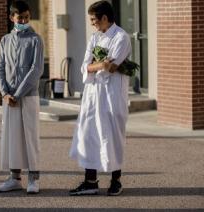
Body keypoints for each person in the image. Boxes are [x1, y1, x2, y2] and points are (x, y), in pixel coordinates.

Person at [69, 0, 131, 196]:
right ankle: (90, 181)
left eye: (94, 19)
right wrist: (99, 64)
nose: (92, 23)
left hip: (112, 95)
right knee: (89, 135)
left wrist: (100, 65)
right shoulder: (95, 37)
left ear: (105, 18)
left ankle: (116, 180)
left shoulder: (121, 37)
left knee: (112, 136)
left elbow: (111, 67)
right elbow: (85, 66)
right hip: (92, 95)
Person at [0, 0, 44, 194]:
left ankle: (34, 179)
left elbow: (36, 70)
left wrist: (17, 93)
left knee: (30, 137)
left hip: (28, 96)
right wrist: (5, 93)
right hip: (9, 98)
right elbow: (0, 67)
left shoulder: (35, 39)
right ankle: (14, 178)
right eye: (19, 17)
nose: (23, 20)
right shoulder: (5, 40)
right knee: (11, 137)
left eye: (26, 17)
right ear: (12, 17)